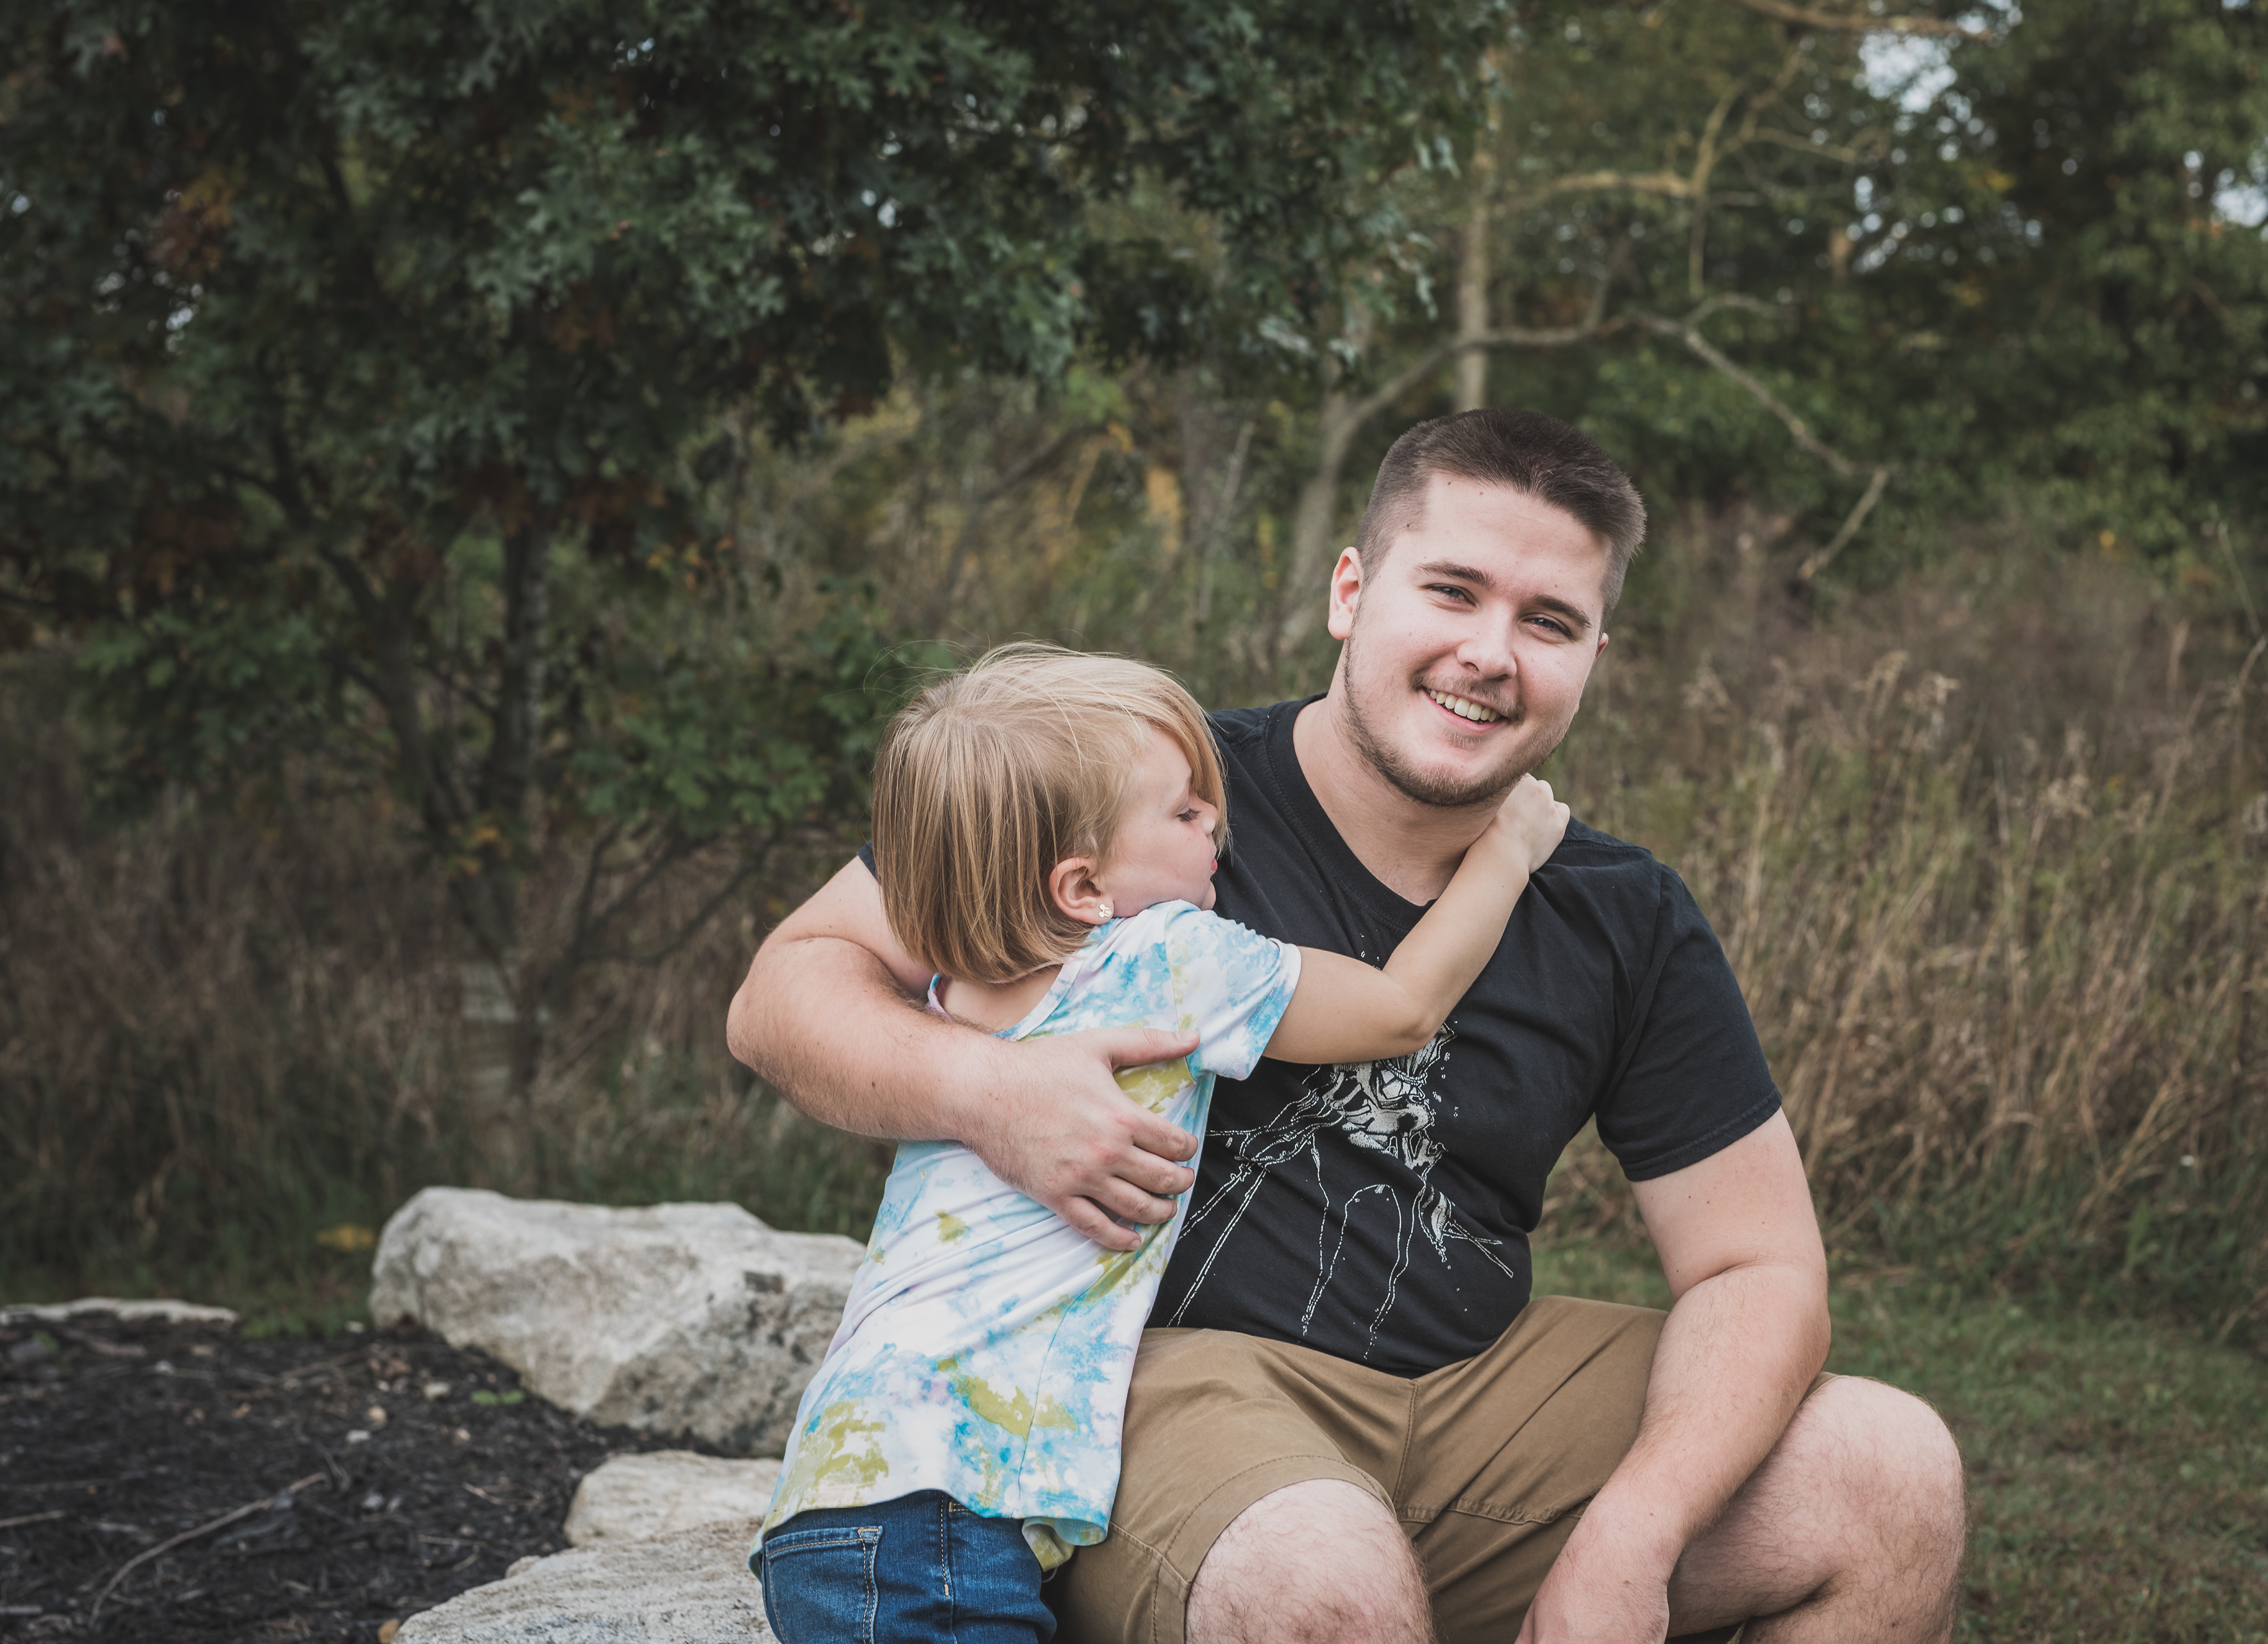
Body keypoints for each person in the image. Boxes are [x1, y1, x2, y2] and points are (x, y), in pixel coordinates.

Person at [730, 409, 1967, 1644]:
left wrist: (1633, 1538)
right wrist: (990, 1093)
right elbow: (787, 990)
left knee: (1888, 1476)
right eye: (1453, 591)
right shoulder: (1141, 803)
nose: (1490, 654)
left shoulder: (1622, 912)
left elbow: (1759, 1266)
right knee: (1326, 1580)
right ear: (1351, 592)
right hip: (1176, 1387)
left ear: (1595, 652)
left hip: (1478, 1390)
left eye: (1548, 621)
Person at [752, 645, 1569, 1644]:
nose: (1217, 822)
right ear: (1084, 887)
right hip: (947, 1520)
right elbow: (1401, 1009)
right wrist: (1509, 850)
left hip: (852, 1487)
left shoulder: (953, 990)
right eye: (1184, 813)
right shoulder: (1161, 957)